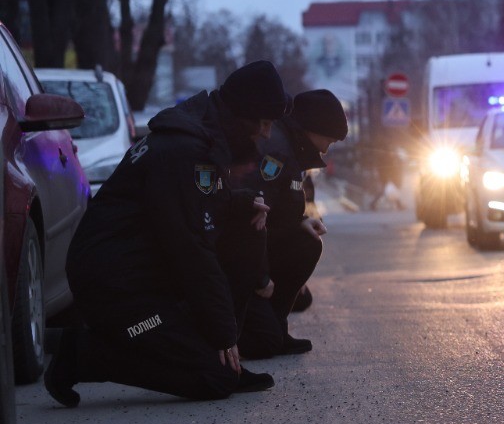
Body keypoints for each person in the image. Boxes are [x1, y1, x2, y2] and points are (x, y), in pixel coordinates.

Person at [44, 61, 290, 405]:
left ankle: (224, 356)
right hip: (116, 287)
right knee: (214, 379)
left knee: (248, 223)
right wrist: (223, 333)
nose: (266, 134)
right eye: (264, 123)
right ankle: (81, 355)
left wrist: (241, 202)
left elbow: (189, 204)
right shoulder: (185, 150)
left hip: (148, 274)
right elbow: (192, 249)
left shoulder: (201, 137)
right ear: (242, 114)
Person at [236, 89, 347, 360]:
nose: (326, 149)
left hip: (260, 252)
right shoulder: (276, 153)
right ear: (313, 128)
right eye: (329, 140)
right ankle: (237, 334)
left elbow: (278, 209)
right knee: (264, 343)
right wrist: (261, 278)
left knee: (308, 243)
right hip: (244, 263)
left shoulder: (291, 148)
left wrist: (301, 221)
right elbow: (250, 221)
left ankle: (277, 325)